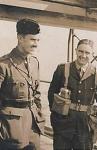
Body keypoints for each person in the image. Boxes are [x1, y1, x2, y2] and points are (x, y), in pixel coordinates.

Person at [48, 39, 97, 150]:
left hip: (85, 126)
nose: (83, 55)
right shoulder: (62, 69)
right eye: (81, 51)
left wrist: (96, 116)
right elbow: (51, 92)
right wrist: (57, 115)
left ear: (92, 54)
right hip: (63, 123)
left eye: (87, 53)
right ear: (76, 50)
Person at [0, 18, 45, 149]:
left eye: (38, 40)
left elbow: (36, 94)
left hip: (33, 127)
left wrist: (39, 116)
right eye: (32, 39)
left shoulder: (34, 62)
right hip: (11, 128)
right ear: (20, 38)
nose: (36, 44)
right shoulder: (4, 64)